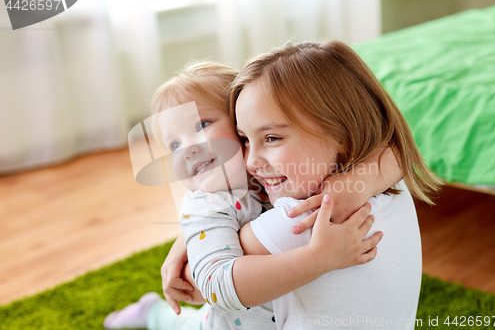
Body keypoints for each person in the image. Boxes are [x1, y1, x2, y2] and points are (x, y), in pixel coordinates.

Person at [104, 60, 402, 330]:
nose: (189, 148)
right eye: (174, 145)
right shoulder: (206, 204)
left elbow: (398, 155)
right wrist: (319, 258)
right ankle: (154, 312)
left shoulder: (268, 174)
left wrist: (354, 182)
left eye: (203, 125)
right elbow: (215, 285)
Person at [224, 40, 442, 329]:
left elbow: (208, 281)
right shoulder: (389, 183)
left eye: (272, 138)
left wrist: (195, 229)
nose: (251, 161)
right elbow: (397, 147)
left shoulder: (307, 218)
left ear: (340, 132)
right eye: (245, 140)